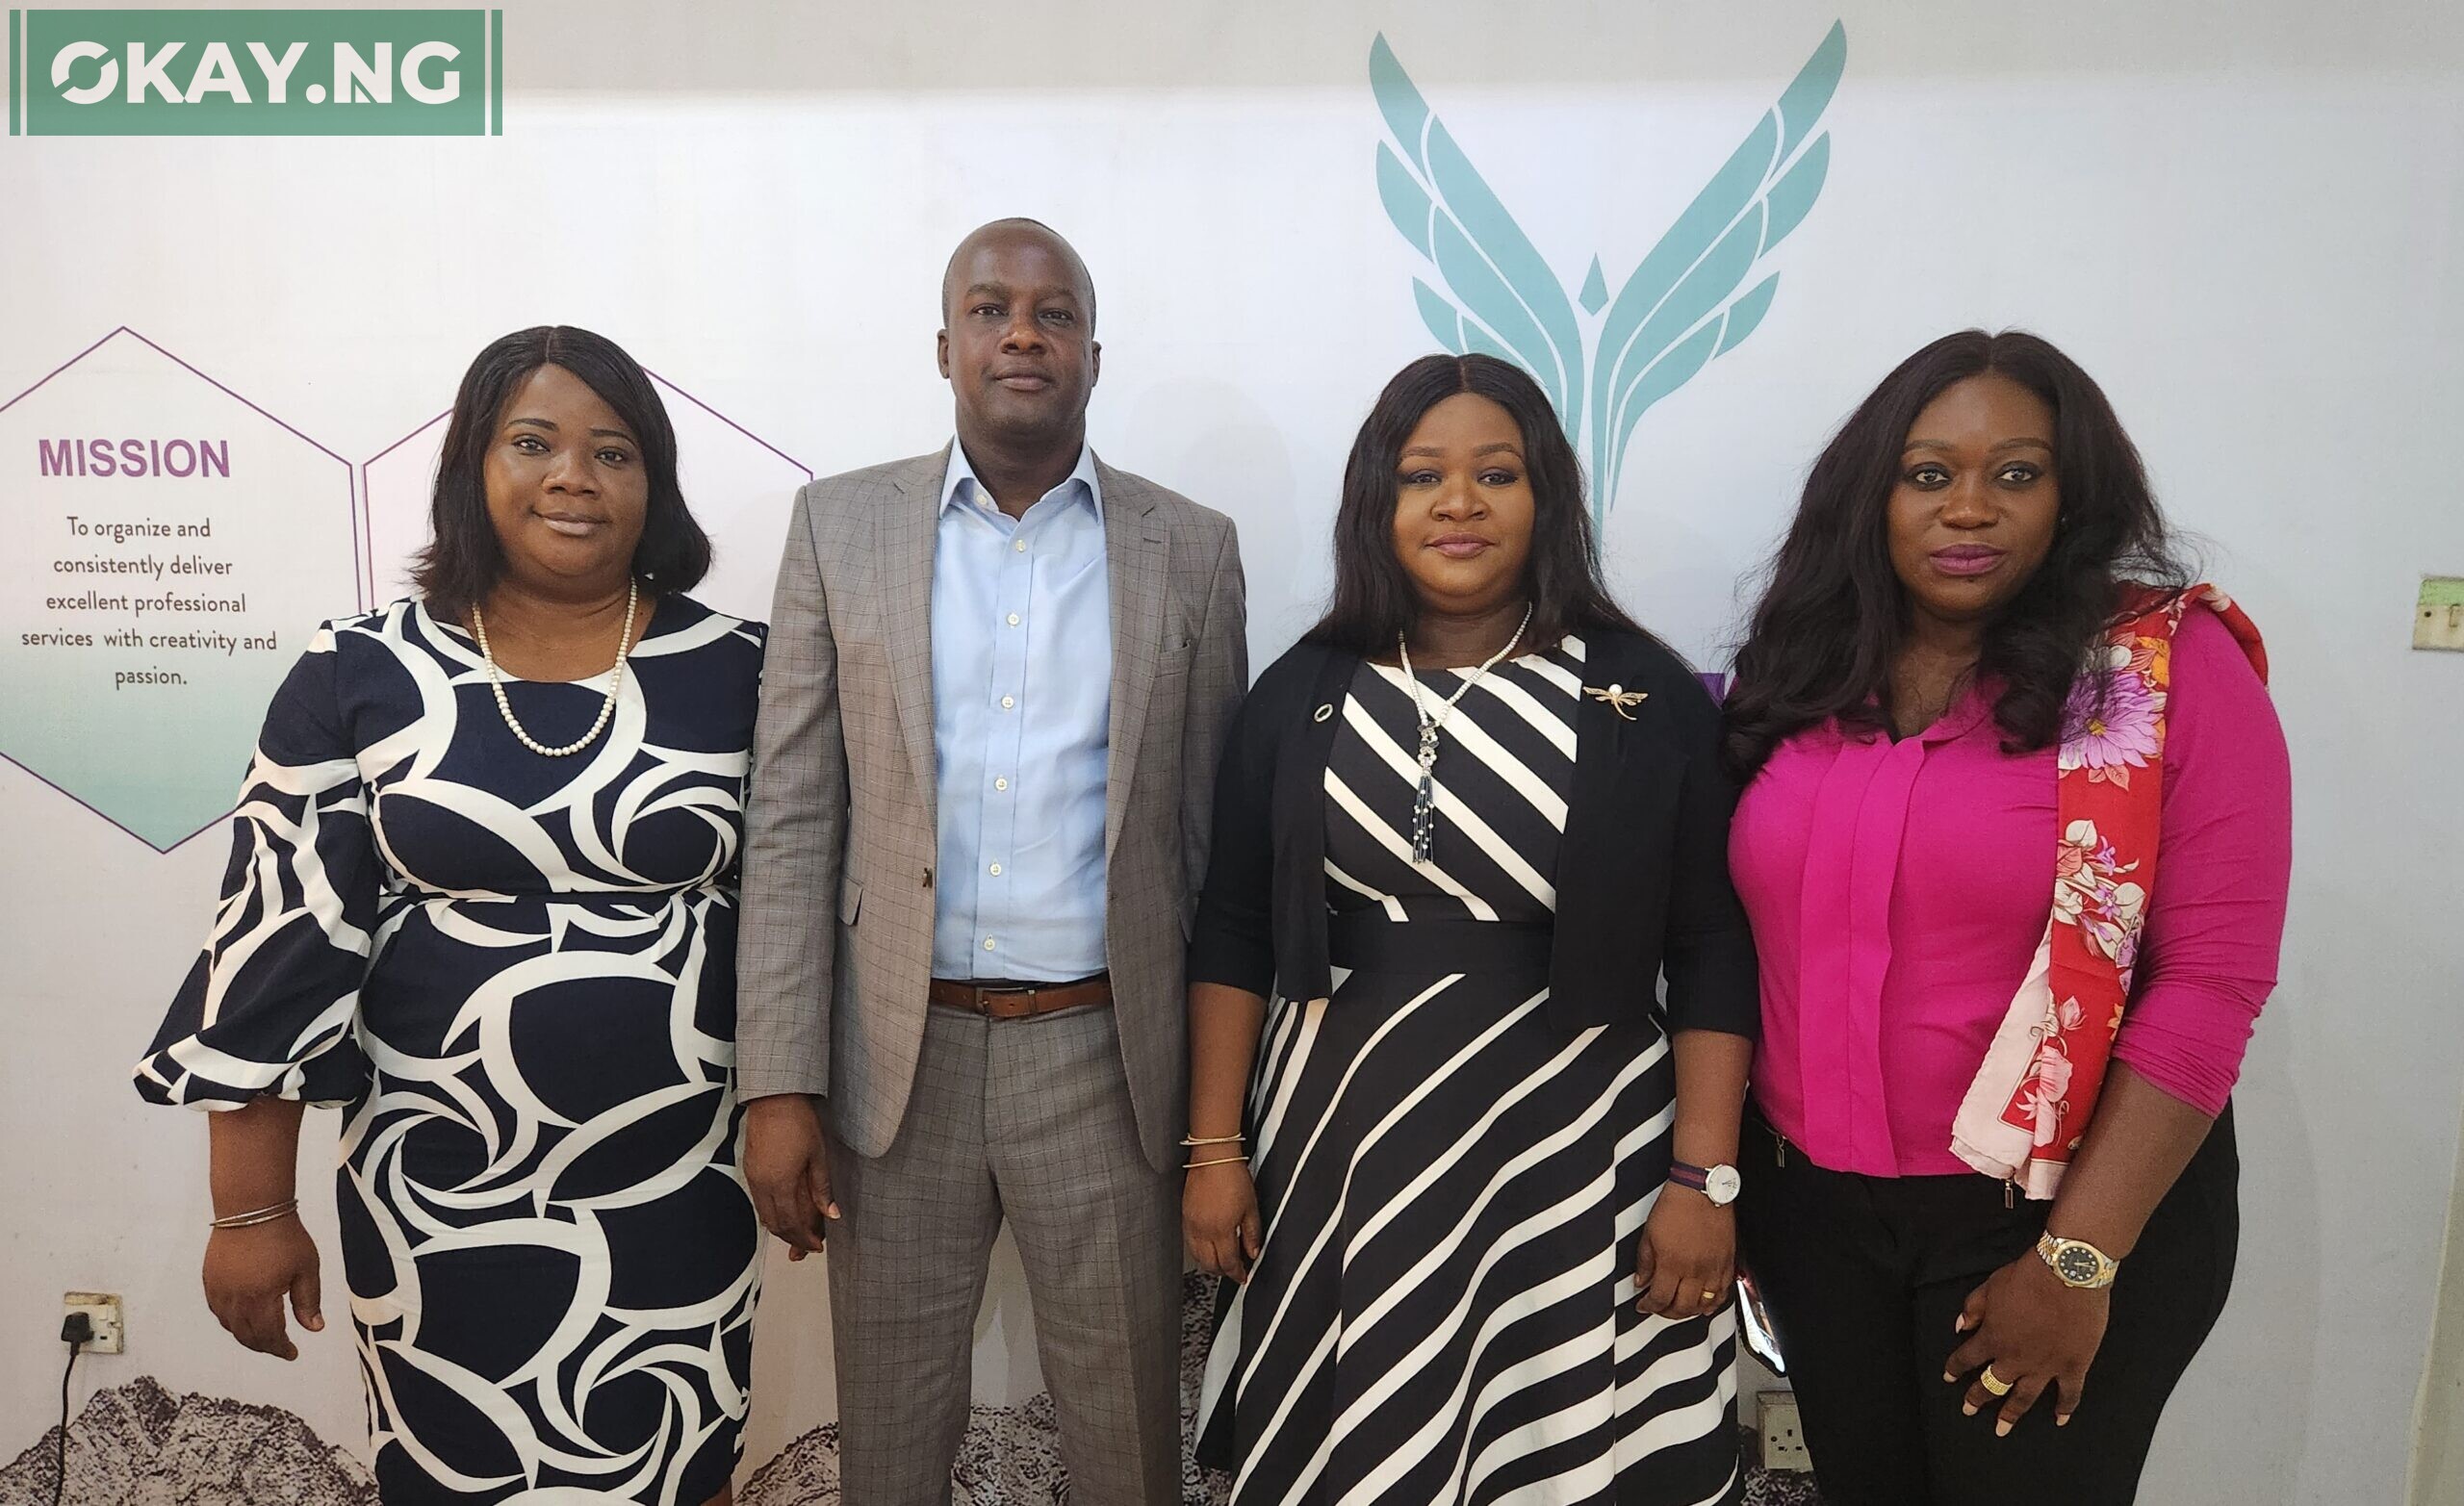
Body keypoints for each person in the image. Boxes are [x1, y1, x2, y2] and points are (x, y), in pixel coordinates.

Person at [134, 325, 767, 1506]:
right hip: (434, 1193)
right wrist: (251, 1205)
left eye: (615, 452)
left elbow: (800, 927)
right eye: (534, 442)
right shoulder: (360, 668)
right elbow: (275, 934)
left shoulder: (746, 669)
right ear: (472, 465)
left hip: (678, 1178)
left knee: (677, 1466)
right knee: (452, 1468)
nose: (574, 475)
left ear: (655, 482)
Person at [1721, 329, 2292, 1505]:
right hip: (1816, 1217)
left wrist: (2077, 1258)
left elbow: (2213, 982)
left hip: (2054, 1221)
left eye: (2016, 473)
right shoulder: (1806, 671)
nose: (1969, 507)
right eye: (1928, 473)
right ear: (1871, 494)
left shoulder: (2159, 670)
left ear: (2073, 495)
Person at [1184, 352, 1759, 1505]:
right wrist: (1212, 1149)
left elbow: (1706, 942)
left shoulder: (1640, 692)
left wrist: (1706, 1173)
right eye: (1420, 476)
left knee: (1559, 1446)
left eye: (1495, 472)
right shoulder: (1299, 690)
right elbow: (1236, 927)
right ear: (1374, 505)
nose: (1458, 502)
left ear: (1544, 495)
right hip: (1347, 1143)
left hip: (1576, 1143)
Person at [733, 217, 1248, 1506]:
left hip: (1105, 1056)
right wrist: (778, 1082)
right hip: (894, 1066)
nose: (1023, 331)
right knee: (892, 1444)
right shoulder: (838, 529)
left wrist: (1212, 1122)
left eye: (1054, 311)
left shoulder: (1189, 546)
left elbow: (1211, 850)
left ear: (1090, 351)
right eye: (991, 307)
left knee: (1129, 1441)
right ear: (945, 343)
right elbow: (793, 820)